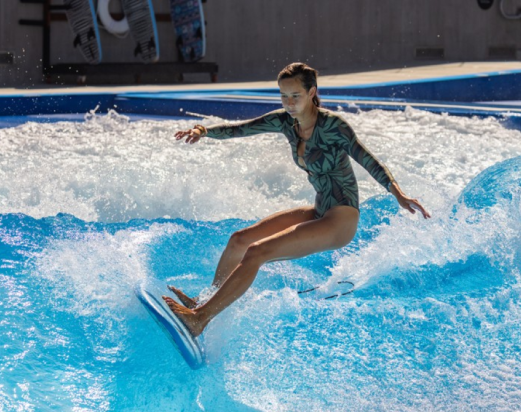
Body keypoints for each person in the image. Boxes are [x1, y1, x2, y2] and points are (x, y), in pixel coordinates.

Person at [164, 62, 430, 337]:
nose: (289, 103)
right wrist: (203, 131)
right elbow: (241, 129)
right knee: (239, 240)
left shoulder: (333, 126)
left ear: (311, 92)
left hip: (341, 220)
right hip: (320, 211)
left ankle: (200, 318)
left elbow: (369, 160)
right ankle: (203, 302)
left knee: (256, 252)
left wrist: (397, 193)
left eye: (295, 96)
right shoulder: (285, 122)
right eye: (284, 96)